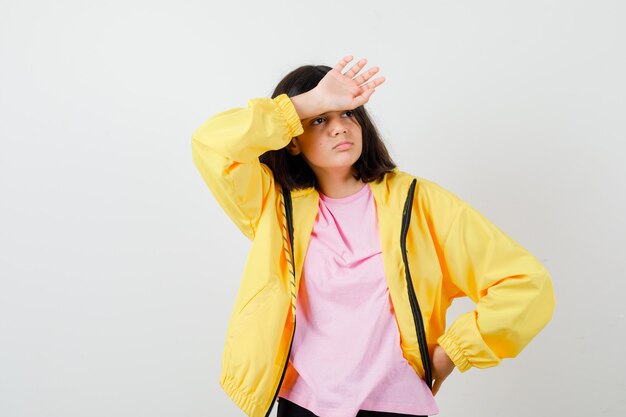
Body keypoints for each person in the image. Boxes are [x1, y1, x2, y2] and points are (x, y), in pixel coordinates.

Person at [191, 56, 555, 417]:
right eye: (320, 120)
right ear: (293, 141)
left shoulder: (418, 202)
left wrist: (453, 353)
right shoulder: (274, 207)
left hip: (392, 405)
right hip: (301, 403)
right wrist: (308, 102)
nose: (339, 127)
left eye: (348, 114)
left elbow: (525, 283)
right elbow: (212, 145)